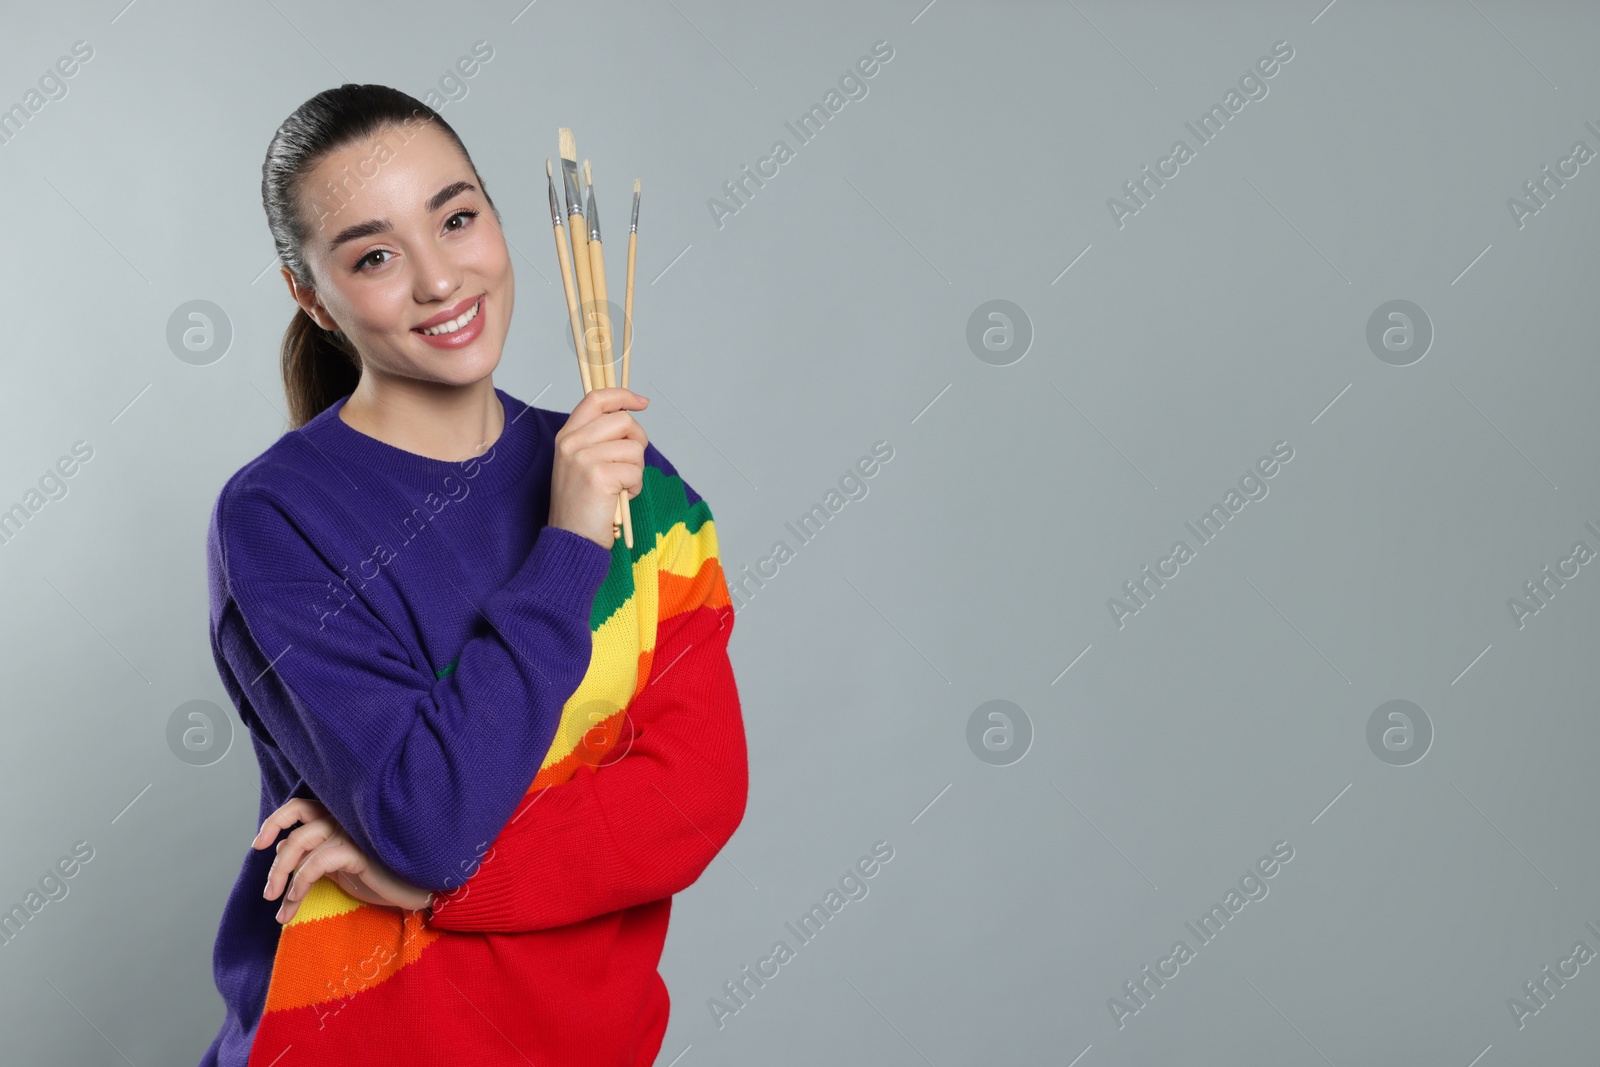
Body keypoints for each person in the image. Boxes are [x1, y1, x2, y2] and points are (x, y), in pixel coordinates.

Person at [197, 83, 748, 1066]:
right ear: (310, 295)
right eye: (374, 255)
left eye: (456, 218)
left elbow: (692, 796)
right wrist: (569, 542)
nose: (440, 279)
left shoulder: (636, 485)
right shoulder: (277, 518)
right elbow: (427, 816)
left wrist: (445, 887)